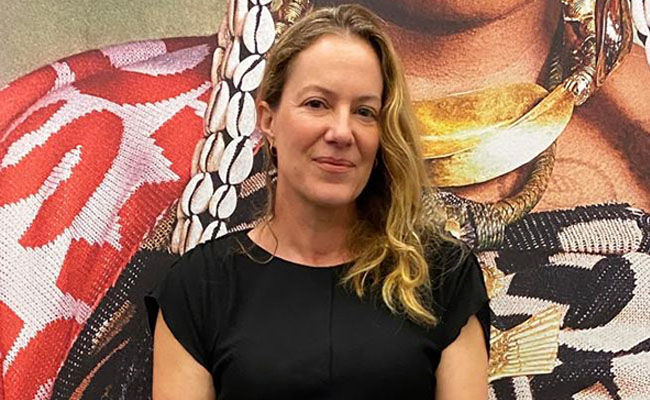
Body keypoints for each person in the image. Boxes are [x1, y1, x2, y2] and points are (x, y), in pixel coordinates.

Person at [146, 4, 490, 400]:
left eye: (364, 111)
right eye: (316, 104)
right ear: (268, 120)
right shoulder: (198, 288)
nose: (341, 132)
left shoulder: (443, 278)